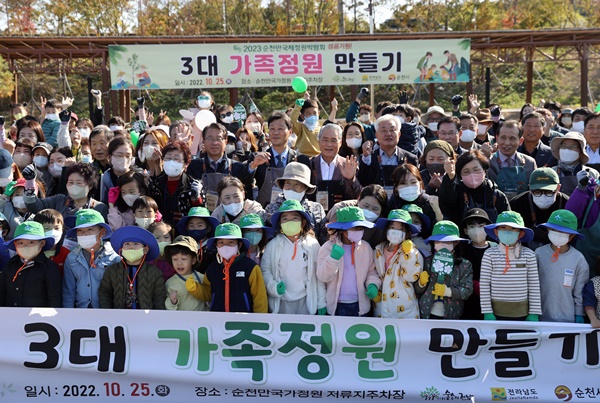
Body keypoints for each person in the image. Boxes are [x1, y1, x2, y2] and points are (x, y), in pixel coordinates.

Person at [185, 223, 268, 313]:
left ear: (239, 245)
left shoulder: (250, 267)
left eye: (231, 242)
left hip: (243, 319)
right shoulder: (212, 269)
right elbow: (208, 294)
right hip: (218, 319)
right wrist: (195, 289)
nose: (226, 246)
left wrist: (260, 318)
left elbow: (260, 297)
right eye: (221, 243)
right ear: (216, 245)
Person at [260, 199, 325, 315]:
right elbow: (265, 269)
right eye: (285, 219)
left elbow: (318, 275)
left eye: (295, 218)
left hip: (305, 302)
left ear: (303, 223)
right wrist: (273, 287)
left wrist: (321, 303)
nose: (289, 222)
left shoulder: (312, 245)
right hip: (281, 302)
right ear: (280, 224)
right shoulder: (273, 245)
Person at [317, 206, 381, 316]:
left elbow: (371, 272)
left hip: (360, 305)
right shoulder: (328, 247)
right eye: (354, 228)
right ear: (343, 230)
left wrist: (373, 284)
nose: (358, 231)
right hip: (337, 305)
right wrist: (332, 259)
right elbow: (322, 277)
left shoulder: (366, 248)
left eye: (360, 228)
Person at [480, 211, 541, 321]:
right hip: (496, 314)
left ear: (520, 234)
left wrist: (534, 312)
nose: (507, 231)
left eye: (513, 228)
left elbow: (534, 285)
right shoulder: (489, 254)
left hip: (522, 313)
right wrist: (487, 311)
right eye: (503, 228)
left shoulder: (529, 255)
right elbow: (484, 285)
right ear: (496, 232)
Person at [536, 210, 588, 323]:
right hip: (539, 317)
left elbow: (579, 291)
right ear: (548, 230)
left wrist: (579, 313)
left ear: (572, 236)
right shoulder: (538, 254)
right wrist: (532, 313)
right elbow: (531, 286)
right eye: (554, 230)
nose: (557, 233)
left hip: (567, 319)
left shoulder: (579, 259)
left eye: (562, 231)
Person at [248, 112, 310, 207]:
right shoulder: (258, 158)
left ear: (290, 132)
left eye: (280, 129)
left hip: (294, 211)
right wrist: (253, 166)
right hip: (264, 211)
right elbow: (244, 183)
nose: (276, 133)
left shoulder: (301, 160)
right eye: (272, 129)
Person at [186, 124, 252, 211]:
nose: (214, 143)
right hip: (201, 216)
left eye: (218, 138)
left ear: (226, 141)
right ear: (203, 141)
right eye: (210, 138)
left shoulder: (238, 167)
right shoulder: (193, 166)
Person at [415, 220, 473, 319]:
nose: (442, 244)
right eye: (438, 241)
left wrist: (449, 291)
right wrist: (421, 283)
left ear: (456, 242)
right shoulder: (427, 261)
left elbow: (467, 290)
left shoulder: (464, 265)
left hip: (451, 315)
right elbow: (417, 290)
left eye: (447, 241)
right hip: (426, 312)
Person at [98, 225, 166, 309]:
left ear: (145, 250)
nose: (131, 246)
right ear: (121, 250)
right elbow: (105, 292)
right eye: (127, 244)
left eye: (136, 244)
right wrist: (107, 311)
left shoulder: (154, 272)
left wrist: (158, 314)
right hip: (118, 315)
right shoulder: (112, 270)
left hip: (145, 315)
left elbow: (159, 297)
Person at [62, 209, 120, 308]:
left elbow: (118, 290)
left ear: (102, 232)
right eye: (80, 230)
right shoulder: (72, 257)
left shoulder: (114, 257)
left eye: (90, 229)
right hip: (81, 310)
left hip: (106, 310)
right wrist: (68, 313)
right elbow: (68, 290)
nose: (84, 234)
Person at [372, 209, 423, 319]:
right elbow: (373, 273)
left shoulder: (413, 251)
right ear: (386, 230)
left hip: (404, 310)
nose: (396, 232)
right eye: (392, 227)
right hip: (381, 306)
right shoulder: (378, 250)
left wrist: (408, 254)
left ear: (407, 233)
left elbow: (411, 277)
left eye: (400, 229)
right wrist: (374, 288)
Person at [439, 149, 510, 225]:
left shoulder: (497, 196)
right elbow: (445, 202)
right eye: (466, 171)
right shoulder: (456, 193)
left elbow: (508, 222)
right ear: (460, 175)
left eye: (476, 170)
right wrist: (450, 176)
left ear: (484, 171)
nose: (472, 174)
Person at [23, 162, 108, 225]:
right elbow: (34, 206)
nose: (74, 186)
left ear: (90, 186)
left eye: (79, 183)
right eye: (71, 182)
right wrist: (29, 181)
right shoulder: (59, 201)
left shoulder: (99, 207)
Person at [0, 221, 62, 307]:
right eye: (20, 243)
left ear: (42, 243)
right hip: (10, 314)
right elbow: (1, 294)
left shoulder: (50, 268)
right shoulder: (10, 265)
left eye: (31, 242)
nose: (25, 246)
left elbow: (54, 299)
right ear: (15, 245)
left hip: (38, 315)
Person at [265, 162, 327, 244]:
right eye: (288, 183)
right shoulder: (271, 208)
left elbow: (323, 239)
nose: (291, 188)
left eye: (297, 184)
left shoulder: (316, 208)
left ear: (306, 188)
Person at [358, 114, 419, 197]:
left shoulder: (410, 159)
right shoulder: (367, 158)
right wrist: (366, 157)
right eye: (384, 130)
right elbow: (363, 182)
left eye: (392, 130)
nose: (388, 134)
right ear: (376, 135)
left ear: (399, 134)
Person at [510, 168, 570, 250]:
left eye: (549, 192)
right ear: (530, 189)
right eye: (537, 192)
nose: (543, 196)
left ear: (558, 188)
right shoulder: (517, 204)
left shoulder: (567, 204)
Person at [308, 124, 361, 213]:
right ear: (319, 142)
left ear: (340, 143)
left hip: (342, 216)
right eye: (325, 140)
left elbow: (358, 197)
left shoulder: (349, 165)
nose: (329, 144)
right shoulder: (309, 164)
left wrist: (350, 180)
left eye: (333, 140)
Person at [148, 140, 202, 226]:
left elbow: (201, 212)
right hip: (159, 229)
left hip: (184, 229)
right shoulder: (156, 183)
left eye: (176, 159)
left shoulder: (192, 185)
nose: (171, 162)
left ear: (186, 164)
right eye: (168, 158)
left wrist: (196, 198)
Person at [458, 208, 495, 320]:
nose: (477, 230)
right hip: (467, 303)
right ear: (466, 231)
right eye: (472, 226)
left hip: (492, 303)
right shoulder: (462, 250)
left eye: (481, 226)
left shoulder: (496, 249)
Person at [487, 121, 537, 200]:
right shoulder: (488, 162)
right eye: (503, 138)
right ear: (497, 139)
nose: (507, 143)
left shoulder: (529, 163)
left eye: (512, 138)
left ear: (520, 141)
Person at [164, 235, 207, 311]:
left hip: (200, 318)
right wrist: (172, 302)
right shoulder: (170, 283)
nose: (179, 263)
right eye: (175, 259)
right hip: (179, 318)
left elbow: (208, 302)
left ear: (193, 260)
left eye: (184, 259)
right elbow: (168, 310)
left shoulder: (202, 278)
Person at [550, 131, 599, 196]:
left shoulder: (592, 173)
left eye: (572, 146)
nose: (567, 149)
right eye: (564, 146)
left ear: (581, 152)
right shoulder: (551, 173)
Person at [176, 206, 220, 275]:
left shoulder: (214, 248)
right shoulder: (182, 246)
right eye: (191, 226)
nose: (195, 228)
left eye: (200, 225)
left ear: (208, 228)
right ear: (187, 228)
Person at [34, 208, 70, 274]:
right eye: (47, 228)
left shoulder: (67, 254)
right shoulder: (32, 253)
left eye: (57, 228)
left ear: (62, 230)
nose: (53, 232)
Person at [290, 92, 321, 157]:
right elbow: (292, 120)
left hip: (317, 158)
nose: (312, 116)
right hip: (302, 157)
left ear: (318, 113)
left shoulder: (322, 130)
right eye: (308, 114)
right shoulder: (301, 127)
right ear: (302, 116)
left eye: (314, 113)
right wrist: (298, 106)